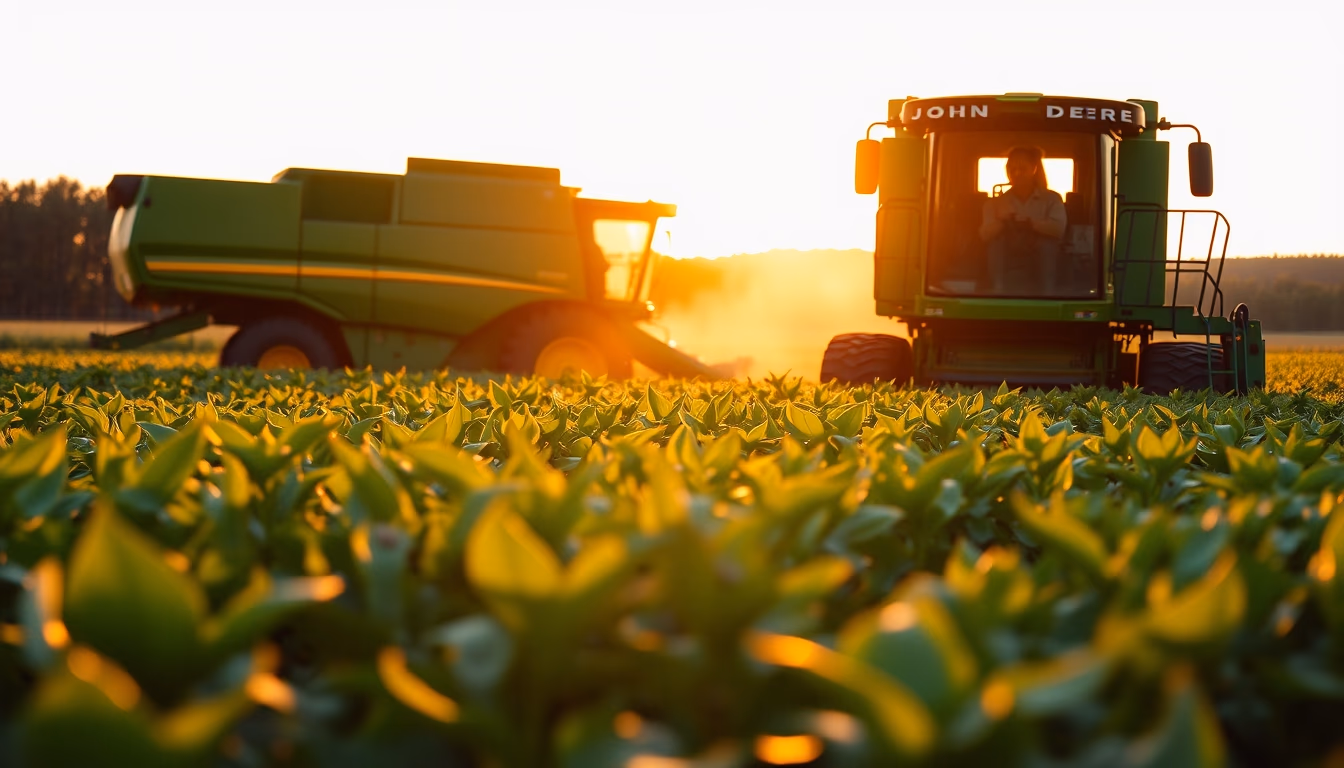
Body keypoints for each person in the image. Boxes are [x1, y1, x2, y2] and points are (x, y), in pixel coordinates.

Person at [980, 146, 1067, 295]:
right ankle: (997, 290)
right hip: (1007, 250)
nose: (1016, 173)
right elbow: (984, 235)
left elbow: (1058, 229)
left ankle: (1048, 293)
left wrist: (1031, 223)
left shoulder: (1052, 199)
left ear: (1033, 169)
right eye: (1012, 169)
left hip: (1039, 249)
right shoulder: (993, 203)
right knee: (995, 243)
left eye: (1022, 168)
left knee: (1048, 244)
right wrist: (1002, 222)